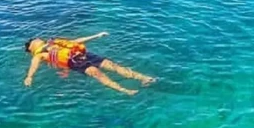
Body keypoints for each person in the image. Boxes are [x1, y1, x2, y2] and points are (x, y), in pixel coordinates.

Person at [23, 32, 155, 97]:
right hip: (74, 62)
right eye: (33, 40)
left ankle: (143, 78)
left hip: (83, 55)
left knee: (112, 65)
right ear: (31, 47)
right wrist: (29, 77)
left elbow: (75, 42)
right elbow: (34, 65)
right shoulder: (38, 54)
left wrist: (97, 35)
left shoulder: (54, 43)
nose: (36, 39)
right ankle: (124, 90)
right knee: (98, 74)